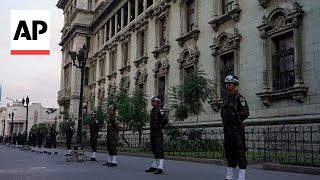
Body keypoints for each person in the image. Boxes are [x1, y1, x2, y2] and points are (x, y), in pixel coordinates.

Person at [221, 75, 249, 180]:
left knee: (240, 153)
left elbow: (245, 113)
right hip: (227, 131)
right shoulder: (226, 99)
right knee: (229, 154)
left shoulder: (240, 98)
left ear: (235, 85)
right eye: (226, 84)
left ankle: (241, 178)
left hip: (237, 131)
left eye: (230, 83)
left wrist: (236, 119)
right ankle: (229, 177)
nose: (227, 86)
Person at [145, 95, 168, 175]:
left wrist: (160, 126)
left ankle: (160, 167)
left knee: (159, 149)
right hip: (153, 132)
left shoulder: (160, 109)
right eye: (151, 101)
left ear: (157, 102)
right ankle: (154, 166)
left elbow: (165, 119)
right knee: (154, 149)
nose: (151, 102)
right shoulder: (152, 110)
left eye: (153, 101)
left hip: (158, 132)